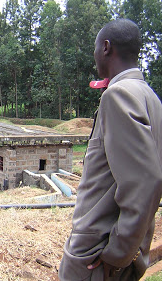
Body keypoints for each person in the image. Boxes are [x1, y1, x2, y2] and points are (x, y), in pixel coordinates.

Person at [59, 19, 162, 280]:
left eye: (95, 48)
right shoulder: (151, 98)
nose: (94, 55)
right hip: (127, 251)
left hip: (97, 254)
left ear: (106, 47)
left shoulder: (117, 95)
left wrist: (118, 252)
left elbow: (145, 181)